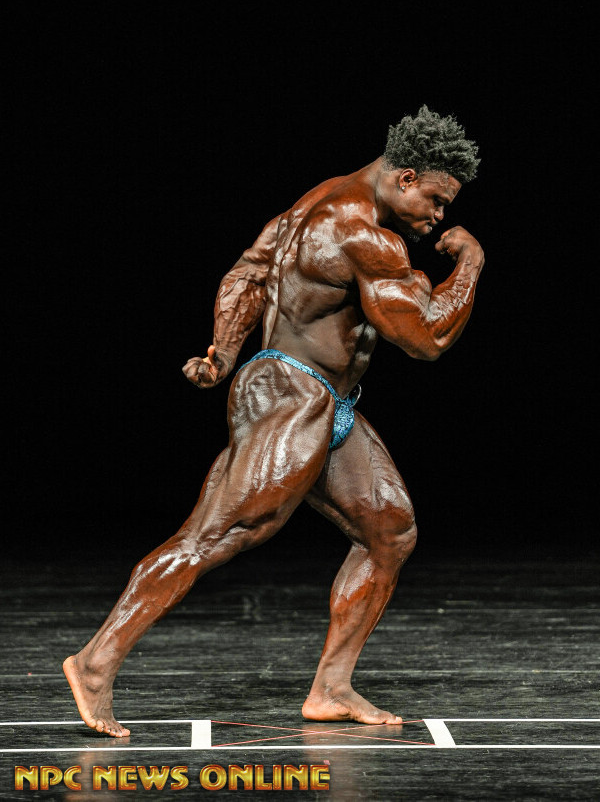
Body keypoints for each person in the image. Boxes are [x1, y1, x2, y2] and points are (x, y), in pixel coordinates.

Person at [64, 105, 484, 736]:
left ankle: (331, 688)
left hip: (322, 398)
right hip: (292, 395)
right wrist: (471, 263)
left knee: (389, 531)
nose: (439, 217)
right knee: (216, 535)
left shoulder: (318, 199)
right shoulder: (362, 231)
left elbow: (249, 271)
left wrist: (223, 351)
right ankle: (95, 662)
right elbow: (425, 340)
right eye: (436, 199)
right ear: (405, 177)